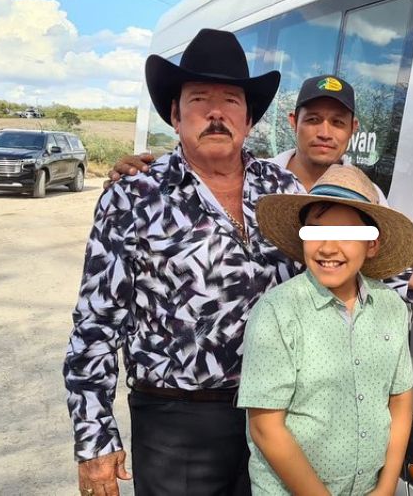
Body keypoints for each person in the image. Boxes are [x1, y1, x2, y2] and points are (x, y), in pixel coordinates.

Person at [63, 28, 302, 496]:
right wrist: (94, 439)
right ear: (175, 114)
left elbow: (336, 268)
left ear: (249, 118)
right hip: (176, 427)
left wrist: (411, 273)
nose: (216, 112)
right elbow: (95, 323)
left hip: (280, 414)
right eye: (199, 99)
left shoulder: (285, 192)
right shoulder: (133, 195)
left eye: (231, 100)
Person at [111, 74, 413, 301]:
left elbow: (361, 270)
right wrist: (154, 170)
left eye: (337, 122)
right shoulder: (261, 186)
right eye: (312, 120)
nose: (324, 132)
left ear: (353, 129)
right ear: (293, 122)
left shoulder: (368, 196)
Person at [239, 163, 413, 495]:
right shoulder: (278, 312)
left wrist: (387, 485)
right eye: (316, 231)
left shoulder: (390, 306)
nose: (328, 248)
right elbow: (266, 427)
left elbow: (401, 399)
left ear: (372, 244)